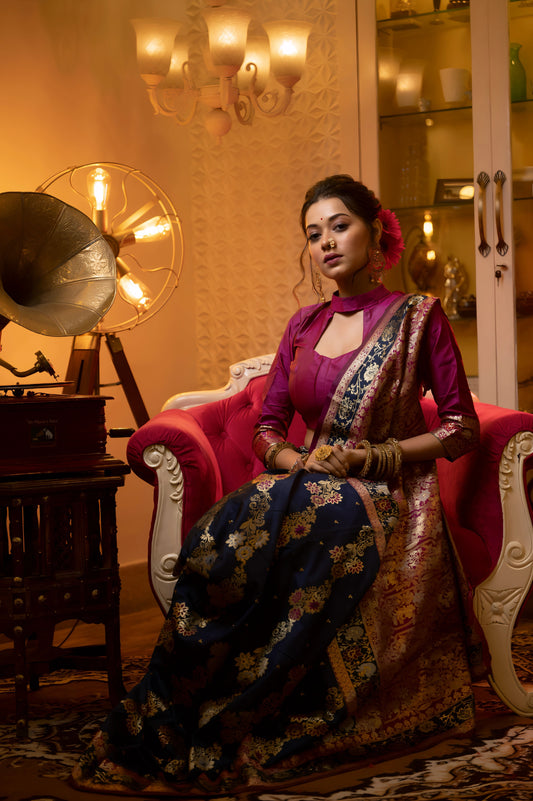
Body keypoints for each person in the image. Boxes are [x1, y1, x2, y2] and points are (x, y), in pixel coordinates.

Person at [72, 175, 480, 796]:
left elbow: (460, 428)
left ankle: (259, 709)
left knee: (308, 525)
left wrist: (374, 456)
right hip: (304, 480)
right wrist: (297, 460)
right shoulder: (304, 323)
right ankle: (186, 706)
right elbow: (267, 429)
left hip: (384, 492)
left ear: (376, 232)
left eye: (339, 226)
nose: (326, 243)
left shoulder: (417, 318)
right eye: (314, 234)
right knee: (219, 540)